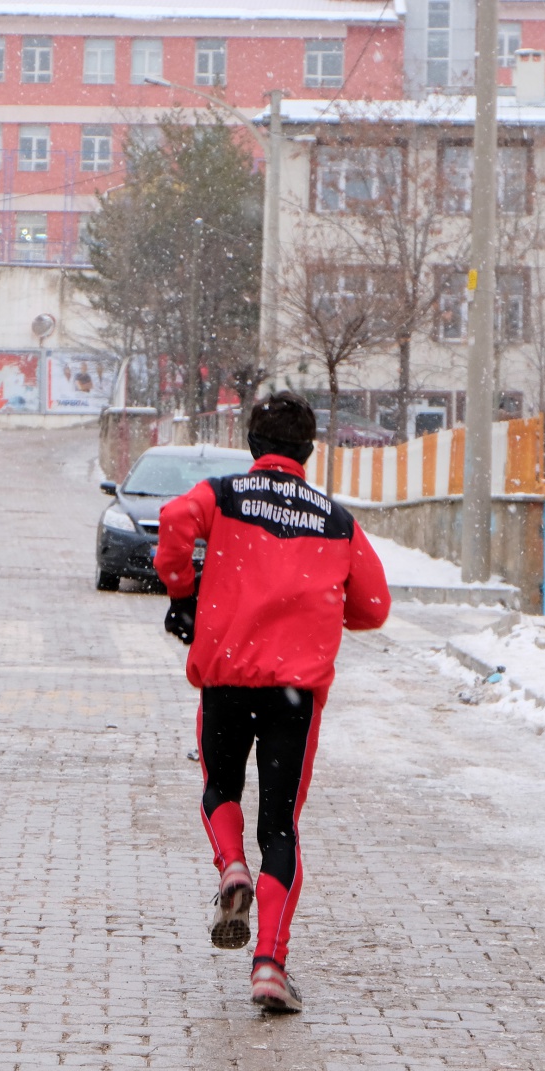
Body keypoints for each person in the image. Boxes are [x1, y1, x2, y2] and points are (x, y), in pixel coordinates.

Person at [155, 391, 390, 1014]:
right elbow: (374, 607)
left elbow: (177, 520)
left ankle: (230, 866)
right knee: (281, 827)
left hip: (227, 680)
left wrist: (183, 593)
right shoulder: (336, 519)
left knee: (221, 787)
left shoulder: (223, 495)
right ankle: (269, 967)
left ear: (253, 445)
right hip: (294, 696)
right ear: (309, 451)